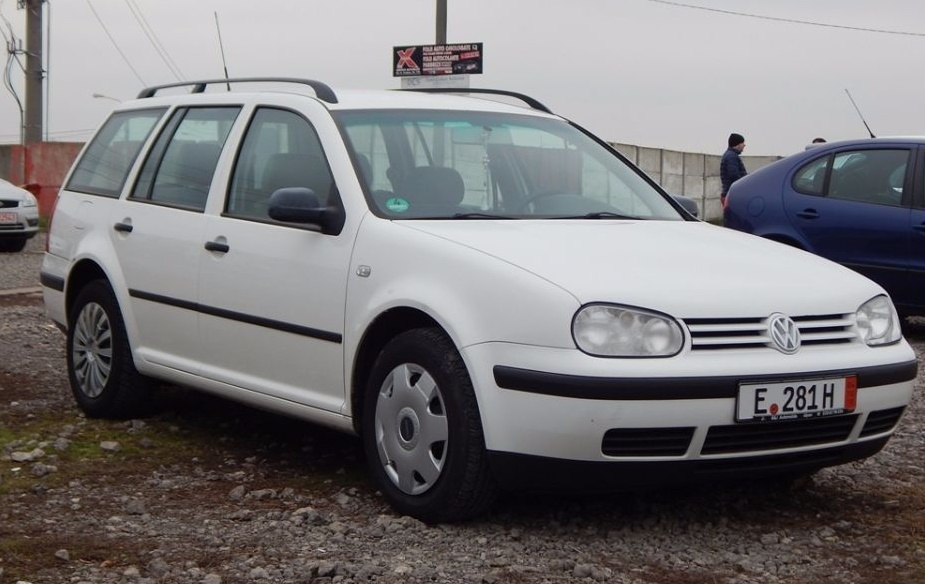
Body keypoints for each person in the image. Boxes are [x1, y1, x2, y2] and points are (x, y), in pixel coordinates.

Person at [720, 133, 747, 207]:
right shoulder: (732, 156)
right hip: (731, 195)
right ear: (737, 144)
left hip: (729, 194)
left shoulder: (730, 155)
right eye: (742, 143)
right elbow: (734, 175)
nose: (744, 145)